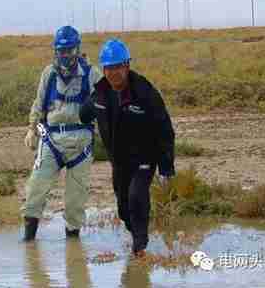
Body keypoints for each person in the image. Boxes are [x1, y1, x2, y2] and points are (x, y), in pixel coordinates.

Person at [79, 38, 175, 258]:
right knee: (123, 208)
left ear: (127, 66)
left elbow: (164, 129)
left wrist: (166, 167)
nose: (114, 73)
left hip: (145, 157)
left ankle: (140, 247)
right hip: (119, 161)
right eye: (109, 68)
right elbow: (83, 115)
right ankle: (136, 236)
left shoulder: (144, 91)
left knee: (136, 196)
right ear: (104, 69)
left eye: (118, 67)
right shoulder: (100, 94)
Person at [21, 25, 102, 241]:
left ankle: (73, 246)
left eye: (69, 50)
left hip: (81, 145)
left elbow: (106, 106)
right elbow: (38, 103)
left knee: (76, 202)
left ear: (77, 49)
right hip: (51, 141)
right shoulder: (48, 73)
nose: (65, 55)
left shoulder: (92, 74)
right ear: (55, 51)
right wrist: (31, 129)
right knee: (34, 191)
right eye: (61, 51)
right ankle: (29, 240)